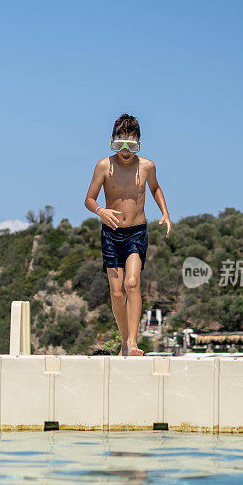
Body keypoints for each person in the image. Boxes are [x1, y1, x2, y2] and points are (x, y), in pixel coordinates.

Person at [84, 113, 172, 356]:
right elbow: (89, 199)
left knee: (132, 283)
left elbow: (155, 189)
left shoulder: (146, 167)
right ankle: (124, 341)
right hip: (111, 233)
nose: (125, 150)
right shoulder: (104, 166)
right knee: (116, 292)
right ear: (112, 142)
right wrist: (100, 210)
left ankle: (133, 341)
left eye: (131, 145)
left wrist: (165, 213)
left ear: (139, 144)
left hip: (136, 232)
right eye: (119, 144)